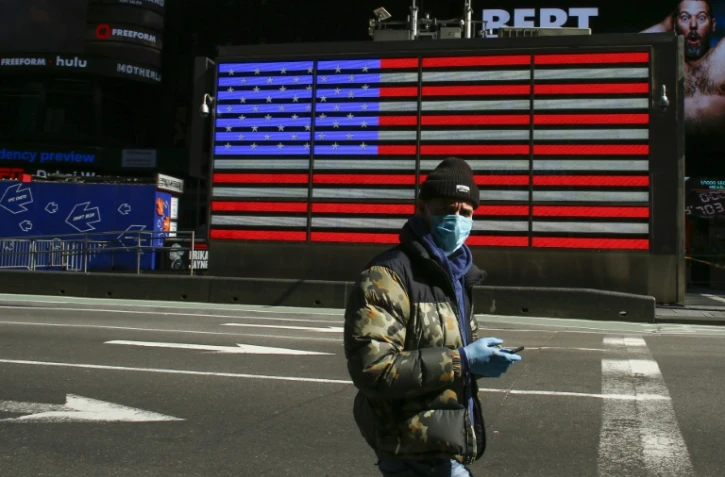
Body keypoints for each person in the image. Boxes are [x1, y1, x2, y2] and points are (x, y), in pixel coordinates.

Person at [343, 157, 522, 477]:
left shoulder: (459, 276)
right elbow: (372, 369)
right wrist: (463, 361)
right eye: (445, 208)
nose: (456, 219)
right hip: (409, 448)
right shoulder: (386, 275)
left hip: (442, 446)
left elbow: (447, 351)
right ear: (423, 208)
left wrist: (482, 361)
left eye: (466, 212)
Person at [643, 0, 725, 135]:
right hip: (673, 154)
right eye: (685, 18)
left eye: (701, 17)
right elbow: (621, 54)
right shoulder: (664, 64)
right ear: (674, 25)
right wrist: (665, 26)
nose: (693, 25)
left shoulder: (722, 57)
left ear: (713, 24)